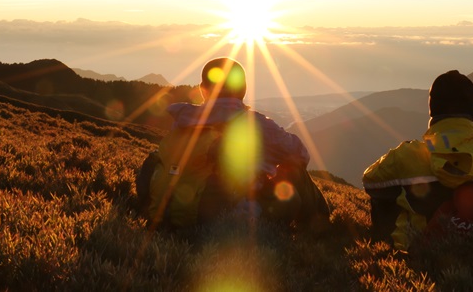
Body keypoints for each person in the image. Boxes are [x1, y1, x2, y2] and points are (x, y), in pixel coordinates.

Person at [137, 57, 330, 230]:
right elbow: (301, 154)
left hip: (179, 211)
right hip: (227, 219)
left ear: (203, 89)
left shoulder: (184, 120)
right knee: (295, 171)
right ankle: (319, 229)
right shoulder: (255, 124)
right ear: (243, 90)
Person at [362, 70, 473, 250]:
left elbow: (370, 182)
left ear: (432, 109)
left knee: (383, 195)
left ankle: (386, 249)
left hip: (421, 254)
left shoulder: (407, 155)